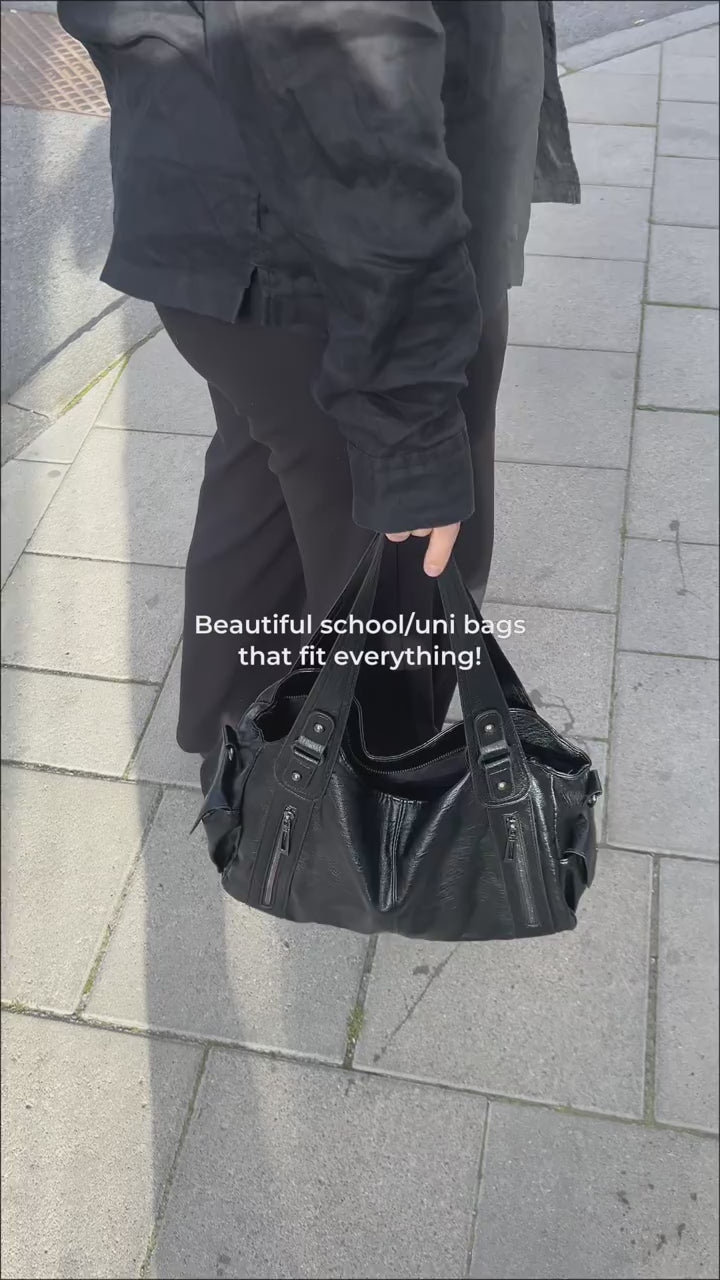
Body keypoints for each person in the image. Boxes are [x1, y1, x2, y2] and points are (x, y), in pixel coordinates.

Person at [58, 0, 579, 767]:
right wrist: (410, 424)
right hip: (339, 253)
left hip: (239, 214)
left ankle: (244, 776)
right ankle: (363, 817)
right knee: (404, 573)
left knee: (265, 496)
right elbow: (346, 54)